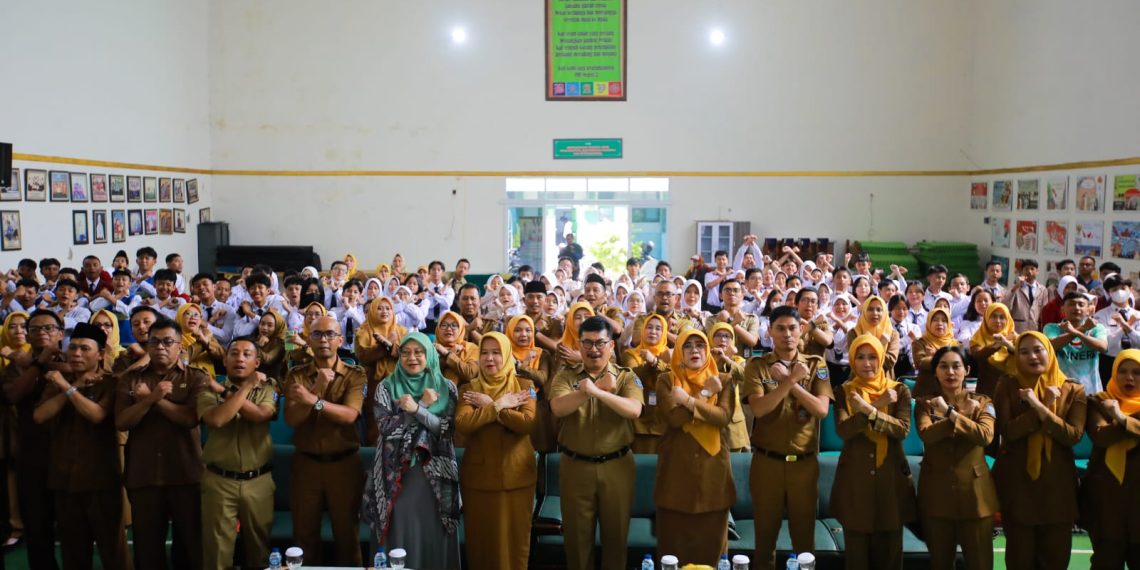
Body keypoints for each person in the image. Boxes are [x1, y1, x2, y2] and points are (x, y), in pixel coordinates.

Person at [32, 322, 129, 570]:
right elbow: (40, 416)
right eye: (72, 348)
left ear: (101, 353)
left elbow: (97, 415)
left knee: (113, 552)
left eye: (84, 349)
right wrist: (70, 387)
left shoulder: (111, 382)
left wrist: (68, 388)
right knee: (73, 553)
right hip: (64, 480)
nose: (76, 354)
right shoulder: (56, 382)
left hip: (103, 481)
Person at [549, 316, 644, 570]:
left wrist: (599, 392)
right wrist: (585, 390)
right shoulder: (565, 376)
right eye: (587, 343)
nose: (593, 349)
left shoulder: (626, 377)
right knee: (577, 541)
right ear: (579, 345)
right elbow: (558, 407)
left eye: (600, 343)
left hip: (617, 466)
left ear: (611, 345)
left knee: (616, 538)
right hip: (575, 466)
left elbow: (634, 410)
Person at [742, 306, 833, 570]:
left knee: (804, 541)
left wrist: (791, 382)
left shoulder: (816, 364)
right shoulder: (757, 366)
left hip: (803, 465)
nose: (787, 334)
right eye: (780, 328)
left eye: (792, 328)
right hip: (766, 463)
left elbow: (821, 410)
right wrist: (790, 380)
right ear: (769, 331)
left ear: (801, 329)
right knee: (765, 540)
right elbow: (759, 409)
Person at [115, 318, 208, 570]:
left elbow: (190, 418)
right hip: (144, 476)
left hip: (185, 474)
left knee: (191, 548)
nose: (161, 347)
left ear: (180, 347)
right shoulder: (132, 379)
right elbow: (122, 421)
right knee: (147, 550)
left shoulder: (196, 377)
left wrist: (155, 401)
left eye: (168, 342)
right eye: (154, 342)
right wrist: (148, 400)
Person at [364, 332, 461, 569]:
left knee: (434, 529)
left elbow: (445, 430)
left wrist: (417, 408)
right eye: (406, 352)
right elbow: (387, 429)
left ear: (429, 355)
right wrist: (425, 407)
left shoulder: (447, 387)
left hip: (436, 473)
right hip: (395, 474)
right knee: (398, 529)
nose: (412, 358)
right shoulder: (386, 387)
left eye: (419, 352)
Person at [992, 331, 1087, 570]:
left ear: (1050, 352)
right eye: (1024, 352)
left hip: (1057, 485)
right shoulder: (1007, 384)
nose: (1032, 356)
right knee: (1019, 559)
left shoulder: (1073, 390)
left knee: (1055, 558)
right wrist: (1043, 406)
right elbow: (1008, 431)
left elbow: (1071, 435)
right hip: (1017, 483)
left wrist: (1037, 407)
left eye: (1038, 350)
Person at [281, 315, 366, 566]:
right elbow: (292, 419)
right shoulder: (296, 375)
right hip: (306, 465)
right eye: (317, 334)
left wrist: (313, 401)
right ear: (308, 339)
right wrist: (317, 387)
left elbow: (350, 415)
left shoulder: (355, 374)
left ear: (340, 339)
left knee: (347, 536)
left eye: (330, 334)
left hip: (344, 465)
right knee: (304, 536)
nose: (324, 340)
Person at [831, 334, 917, 570]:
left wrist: (869, 410)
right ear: (852, 360)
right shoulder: (844, 391)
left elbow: (901, 430)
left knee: (890, 556)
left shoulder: (898, 390)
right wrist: (878, 406)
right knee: (857, 558)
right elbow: (844, 431)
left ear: (881, 359)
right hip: (854, 482)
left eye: (872, 357)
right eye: (860, 357)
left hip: (891, 480)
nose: (866, 363)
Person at [455, 332, 536, 569]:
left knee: (516, 542)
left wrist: (489, 406)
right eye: (484, 353)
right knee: (482, 541)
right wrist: (500, 405)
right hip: (480, 479)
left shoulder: (525, 386)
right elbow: (463, 424)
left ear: (507, 355)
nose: (490, 358)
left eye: (496, 352)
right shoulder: (469, 389)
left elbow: (527, 424)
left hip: (517, 475)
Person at [654, 329, 735, 564]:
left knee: (712, 550)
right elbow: (675, 419)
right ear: (678, 351)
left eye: (700, 345)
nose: (694, 350)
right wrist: (707, 392)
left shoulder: (725, 379)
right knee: (673, 551)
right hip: (675, 474)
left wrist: (688, 401)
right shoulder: (666, 380)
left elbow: (722, 417)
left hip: (714, 474)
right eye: (687, 346)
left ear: (708, 350)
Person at [914, 346, 998, 570]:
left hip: (975, 496)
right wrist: (963, 415)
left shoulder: (983, 401)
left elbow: (985, 436)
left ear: (967, 370)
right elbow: (927, 435)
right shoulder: (924, 403)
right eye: (943, 366)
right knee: (941, 563)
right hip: (936, 495)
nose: (950, 372)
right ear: (935, 372)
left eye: (956, 366)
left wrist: (950, 413)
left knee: (980, 563)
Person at [197, 337, 277, 570]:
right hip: (219, 481)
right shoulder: (206, 389)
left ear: (257, 362)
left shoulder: (268, 388)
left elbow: (261, 415)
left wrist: (225, 391)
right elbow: (218, 419)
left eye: (246, 354)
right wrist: (246, 387)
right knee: (217, 555)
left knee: (259, 553)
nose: (240, 358)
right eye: (234, 353)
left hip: (258, 482)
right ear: (224, 359)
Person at [623, 313, 670, 453]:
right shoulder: (630, 354)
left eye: (658, 328)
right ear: (643, 330)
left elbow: (672, 377)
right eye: (649, 327)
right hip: (639, 421)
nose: (653, 332)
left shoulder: (671, 354)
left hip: (665, 421)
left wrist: (656, 361)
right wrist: (656, 363)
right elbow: (633, 375)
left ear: (664, 332)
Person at [1044, 292, 1109, 395]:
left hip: (1092, 391)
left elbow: (1103, 347)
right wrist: (1083, 329)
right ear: (1062, 310)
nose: (1076, 308)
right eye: (1071, 304)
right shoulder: (1052, 328)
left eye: (1081, 305)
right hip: (1062, 390)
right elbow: (1051, 345)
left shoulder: (1096, 328)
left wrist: (1076, 332)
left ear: (1088, 310)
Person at [1094, 276, 1140, 385]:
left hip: (1136, 361)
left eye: (1123, 288)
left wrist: (1126, 326)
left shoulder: (1138, 315)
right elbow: (1106, 345)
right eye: (1114, 289)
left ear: (1131, 290)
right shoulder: (1101, 315)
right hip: (1109, 361)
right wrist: (1127, 325)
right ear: (1108, 293)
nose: (1119, 292)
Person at [968, 303, 1017, 396]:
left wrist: (1008, 344)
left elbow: (1024, 357)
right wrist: (999, 343)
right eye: (993, 316)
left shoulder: (1016, 339)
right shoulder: (978, 339)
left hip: (1013, 391)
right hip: (987, 391)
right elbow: (978, 356)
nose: (998, 321)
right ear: (986, 318)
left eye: (1002, 317)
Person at [848, 296, 902, 378]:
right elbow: (854, 361)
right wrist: (880, 344)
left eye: (879, 310)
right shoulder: (854, 333)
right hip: (858, 382)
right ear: (864, 311)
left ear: (884, 312)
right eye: (870, 309)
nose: (875, 313)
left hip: (885, 383)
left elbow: (889, 362)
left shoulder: (892, 334)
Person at [176, 303, 225, 392]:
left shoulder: (207, 336)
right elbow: (180, 360)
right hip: (184, 386)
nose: (193, 317)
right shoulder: (173, 338)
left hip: (210, 385)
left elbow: (223, 357)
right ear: (179, 316)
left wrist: (206, 342)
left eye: (196, 315)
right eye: (188, 314)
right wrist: (203, 342)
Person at [911, 308, 960, 397]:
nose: (940, 323)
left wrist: (936, 355)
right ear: (929, 323)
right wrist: (947, 359)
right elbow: (920, 363)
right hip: (927, 393)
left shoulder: (956, 344)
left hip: (952, 394)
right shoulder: (920, 342)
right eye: (935, 320)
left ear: (949, 324)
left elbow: (960, 365)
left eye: (944, 320)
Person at [1005, 259, 1048, 334]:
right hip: (1018, 329)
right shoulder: (1015, 288)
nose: (1029, 271)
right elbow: (1006, 305)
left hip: (1035, 328)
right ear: (1022, 272)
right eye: (1026, 269)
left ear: (1037, 271)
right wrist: (1017, 286)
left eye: (1032, 269)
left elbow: (1045, 311)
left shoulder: (1043, 290)